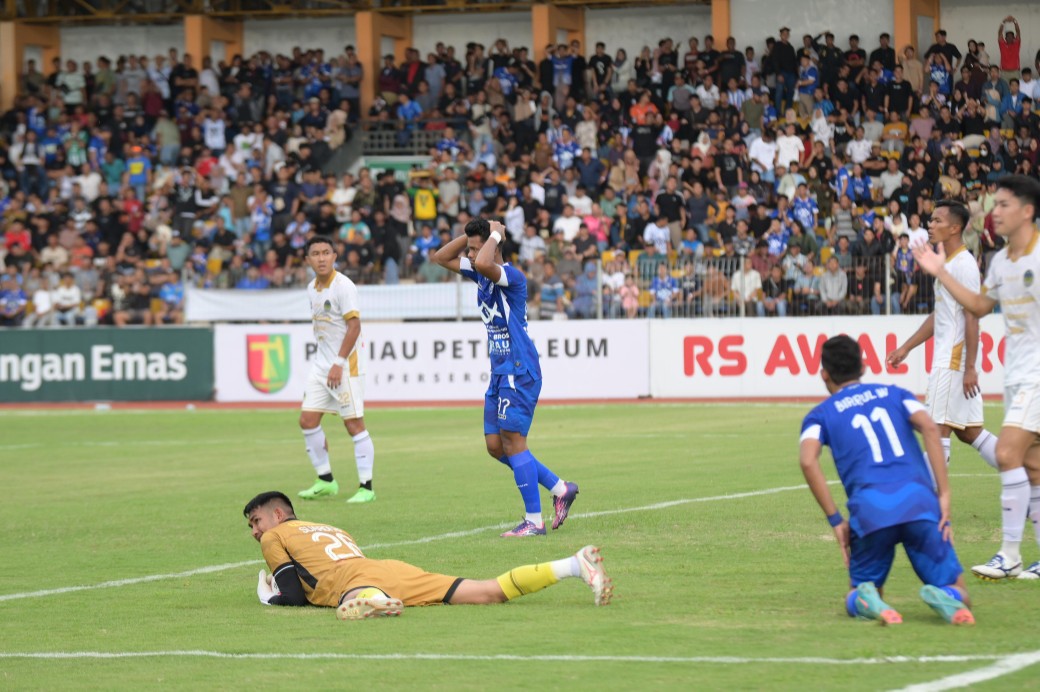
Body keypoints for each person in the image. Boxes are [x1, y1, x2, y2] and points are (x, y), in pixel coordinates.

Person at [913, 175, 1040, 581]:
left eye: (1002, 205)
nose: (994, 211)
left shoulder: (1023, 259)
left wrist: (969, 365)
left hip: (1019, 372)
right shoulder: (999, 262)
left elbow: (970, 316)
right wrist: (937, 270)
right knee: (1026, 463)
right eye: (994, 204)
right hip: (1017, 375)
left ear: (1027, 212)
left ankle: (1006, 552)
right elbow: (979, 306)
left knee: (1001, 452)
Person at [799, 335, 975, 625]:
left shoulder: (820, 415)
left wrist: (835, 521)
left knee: (862, 593)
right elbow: (931, 429)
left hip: (870, 510)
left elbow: (807, 460)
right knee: (960, 589)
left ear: (824, 375)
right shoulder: (897, 394)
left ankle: (868, 599)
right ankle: (947, 596)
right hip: (919, 501)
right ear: (864, 367)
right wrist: (942, 495)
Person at [244, 491, 612, 619]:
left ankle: (373, 601)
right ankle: (572, 565)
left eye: (257, 520)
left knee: (354, 596)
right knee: (487, 592)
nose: (256, 530)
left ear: (278, 514)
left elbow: (293, 597)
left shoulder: (274, 536)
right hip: (388, 568)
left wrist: (269, 598)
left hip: (352, 582)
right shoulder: (332, 528)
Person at [432, 219, 579, 536]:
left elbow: (484, 260)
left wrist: (494, 234)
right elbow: (440, 258)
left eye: (475, 248)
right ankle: (559, 488)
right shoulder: (480, 274)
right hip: (500, 371)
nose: (471, 256)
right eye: (470, 250)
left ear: (494, 246)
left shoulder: (510, 276)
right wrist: (469, 237)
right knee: (496, 446)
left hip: (518, 368)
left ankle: (533, 521)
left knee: (514, 442)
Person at [887, 201, 999, 472]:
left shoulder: (963, 264)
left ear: (955, 227)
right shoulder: (947, 263)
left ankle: (932, 509)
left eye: (937, 220)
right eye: (931, 219)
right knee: (970, 432)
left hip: (953, 359)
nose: (930, 224)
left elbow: (972, 315)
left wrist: (970, 367)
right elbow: (942, 315)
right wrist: (907, 347)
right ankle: (1030, 477)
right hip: (953, 358)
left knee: (936, 431)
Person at [296, 235, 377, 504]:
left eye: (326, 252)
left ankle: (367, 487)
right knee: (307, 421)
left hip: (346, 366)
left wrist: (338, 363)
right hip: (322, 365)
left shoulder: (344, 286)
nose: (321, 258)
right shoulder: (311, 288)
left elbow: (354, 327)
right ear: (308, 260)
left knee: (353, 424)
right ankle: (326, 480)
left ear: (335, 256)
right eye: (315, 253)